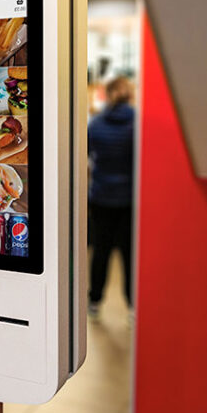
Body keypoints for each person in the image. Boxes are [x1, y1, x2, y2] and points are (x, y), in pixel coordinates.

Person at [87, 76, 135, 320]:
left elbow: (85, 156)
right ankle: (132, 306)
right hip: (128, 199)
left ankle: (94, 301)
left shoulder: (95, 124)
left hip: (101, 196)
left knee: (101, 250)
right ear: (129, 95)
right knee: (129, 253)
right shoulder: (137, 124)